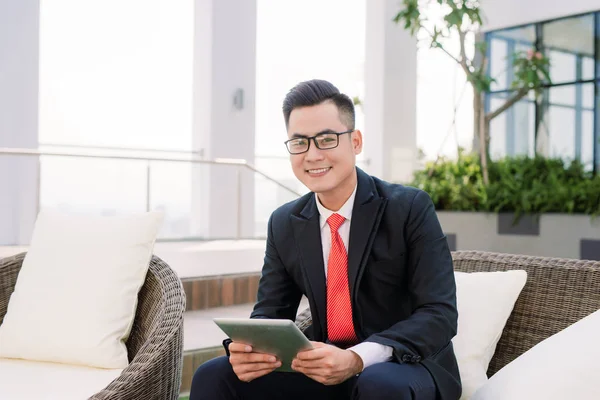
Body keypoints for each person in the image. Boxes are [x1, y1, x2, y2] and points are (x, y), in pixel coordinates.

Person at [190, 79, 461, 400]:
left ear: (356, 141)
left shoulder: (409, 207)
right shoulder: (285, 222)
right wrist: (248, 351)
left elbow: (439, 313)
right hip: (323, 366)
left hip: (404, 365)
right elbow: (271, 314)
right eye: (299, 142)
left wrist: (358, 357)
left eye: (327, 139)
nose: (313, 154)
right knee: (215, 374)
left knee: (378, 384)